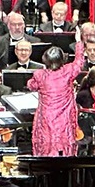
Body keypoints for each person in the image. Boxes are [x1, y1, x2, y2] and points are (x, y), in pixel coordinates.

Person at [28, 27, 89, 156]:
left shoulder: (40, 75)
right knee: (63, 144)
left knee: (47, 143)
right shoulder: (68, 71)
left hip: (46, 117)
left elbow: (31, 85)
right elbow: (79, 62)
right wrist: (78, 42)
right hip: (64, 118)